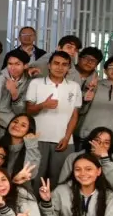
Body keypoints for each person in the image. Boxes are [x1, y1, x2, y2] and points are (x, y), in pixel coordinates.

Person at [25, 51, 81, 184]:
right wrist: (43, 105)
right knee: (35, 178)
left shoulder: (74, 87)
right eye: (56, 63)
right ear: (49, 65)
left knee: (61, 179)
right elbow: (28, 111)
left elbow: (74, 115)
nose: (60, 67)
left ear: (69, 68)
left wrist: (67, 137)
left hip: (64, 140)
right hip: (38, 138)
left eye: (64, 64)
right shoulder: (36, 83)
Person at [57, 127, 113, 194]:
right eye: (97, 140)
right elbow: (63, 183)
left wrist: (105, 159)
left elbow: (110, 184)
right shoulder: (73, 157)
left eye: (106, 143)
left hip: (103, 197)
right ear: (90, 141)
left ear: (110, 146)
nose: (101, 145)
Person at [78, 55, 113, 147]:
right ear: (105, 71)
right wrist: (85, 99)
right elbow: (79, 109)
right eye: (111, 67)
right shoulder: (94, 86)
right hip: (89, 137)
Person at [0, 50, 31, 137]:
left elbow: (21, 112)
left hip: (19, 127)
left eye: (17, 64)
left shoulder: (28, 82)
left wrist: (14, 94)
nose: (13, 68)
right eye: (10, 64)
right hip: (0, 127)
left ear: (25, 65)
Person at [0, 113, 41, 179]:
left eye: (23, 125)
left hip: (19, 184)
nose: (16, 125)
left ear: (29, 131)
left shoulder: (32, 149)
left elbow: (31, 174)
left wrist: (31, 146)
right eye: (15, 122)